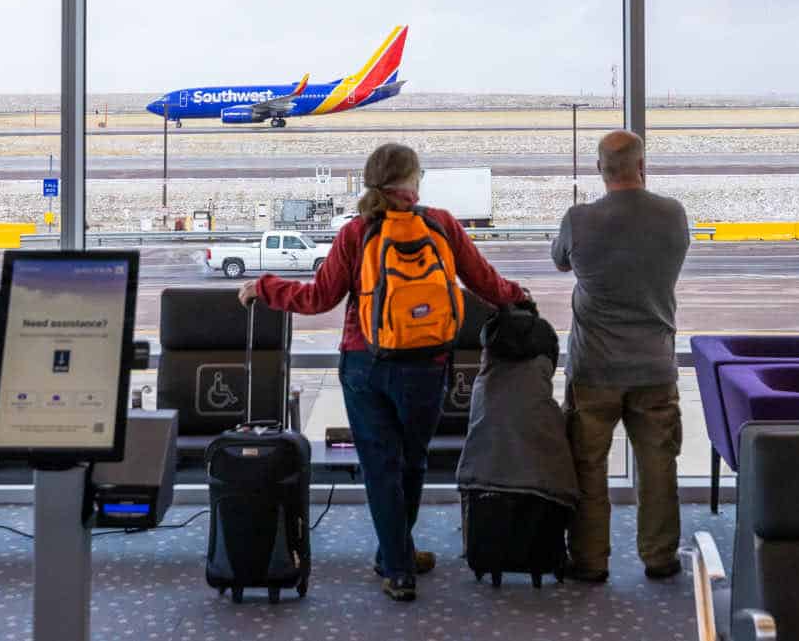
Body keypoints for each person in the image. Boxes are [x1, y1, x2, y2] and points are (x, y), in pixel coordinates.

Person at [238, 142, 528, 602]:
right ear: (414, 179)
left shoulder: (357, 232)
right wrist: (518, 295)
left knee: (380, 468)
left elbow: (318, 298)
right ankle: (398, 553)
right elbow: (483, 281)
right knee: (411, 463)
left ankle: (397, 565)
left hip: (364, 365)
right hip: (427, 366)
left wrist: (264, 287)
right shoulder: (442, 224)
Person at [551, 130, 690, 582]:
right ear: (642, 166)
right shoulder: (673, 215)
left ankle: (590, 560)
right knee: (658, 466)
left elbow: (560, 261)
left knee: (588, 468)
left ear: (599, 170)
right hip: (654, 366)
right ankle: (660, 556)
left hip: (594, 368)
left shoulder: (579, 219)